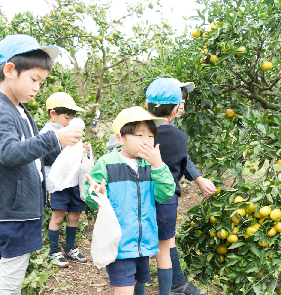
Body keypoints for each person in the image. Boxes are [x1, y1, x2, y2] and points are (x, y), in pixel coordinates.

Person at [0, 34, 83, 295]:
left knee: (15, 275)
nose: (37, 87)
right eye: (33, 79)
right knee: (10, 279)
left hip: (23, 209)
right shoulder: (2, 111)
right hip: (13, 212)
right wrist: (53, 137)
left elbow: (33, 156)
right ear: (10, 71)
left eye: (42, 81)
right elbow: (9, 153)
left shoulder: (19, 109)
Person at [134, 78, 215, 295]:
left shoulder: (134, 131)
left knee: (139, 247)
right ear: (174, 108)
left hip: (137, 196)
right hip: (166, 198)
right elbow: (182, 158)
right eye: (181, 102)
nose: (183, 106)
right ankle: (172, 287)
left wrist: (197, 178)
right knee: (165, 244)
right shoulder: (179, 137)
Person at [84, 106, 176, 295]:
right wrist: (98, 194)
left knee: (138, 286)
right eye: (139, 135)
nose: (146, 141)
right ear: (120, 138)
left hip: (143, 243)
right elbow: (91, 197)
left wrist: (158, 165)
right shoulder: (107, 163)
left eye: (150, 136)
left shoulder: (151, 165)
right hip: (120, 242)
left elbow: (165, 193)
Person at [40, 92, 90, 268]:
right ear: (53, 114)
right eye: (66, 117)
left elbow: (74, 157)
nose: (69, 122)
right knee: (58, 216)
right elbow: (48, 157)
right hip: (58, 184)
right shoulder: (47, 132)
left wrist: (82, 150)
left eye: (71, 118)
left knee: (74, 215)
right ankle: (54, 251)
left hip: (74, 181)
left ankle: (70, 248)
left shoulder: (70, 131)